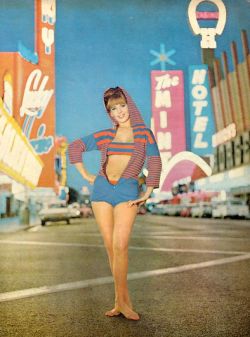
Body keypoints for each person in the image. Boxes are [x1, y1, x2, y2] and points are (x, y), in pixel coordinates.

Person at [68, 87, 162, 320]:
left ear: (130, 104)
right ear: (109, 113)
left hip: (127, 190)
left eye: (121, 106)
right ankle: (121, 301)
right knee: (110, 247)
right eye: (112, 109)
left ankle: (122, 302)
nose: (118, 112)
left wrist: (147, 192)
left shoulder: (144, 134)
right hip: (101, 191)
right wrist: (88, 175)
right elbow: (75, 147)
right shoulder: (106, 135)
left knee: (121, 246)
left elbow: (155, 162)